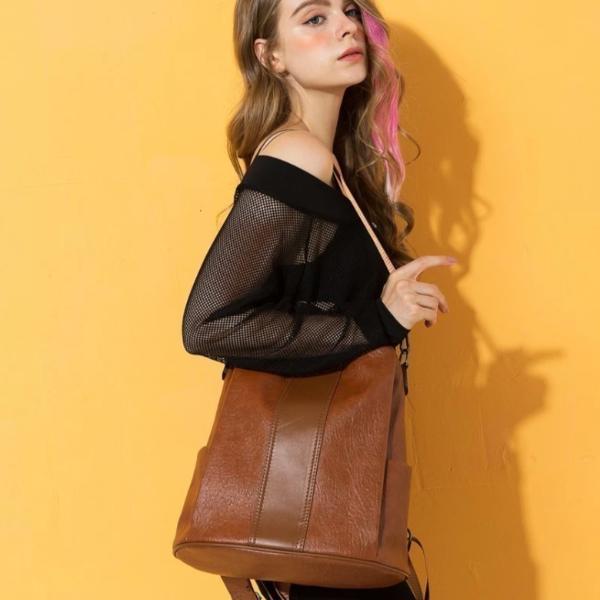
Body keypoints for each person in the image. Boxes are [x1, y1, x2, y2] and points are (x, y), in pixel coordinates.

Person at [181, 0, 456, 597]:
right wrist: (377, 321)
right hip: (317, 513)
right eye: (313, 18)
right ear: (270, 56)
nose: (345, 25)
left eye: (348, 10)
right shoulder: (297, 155)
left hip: (327, 508)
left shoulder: (332, 163)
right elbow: (208, 323)